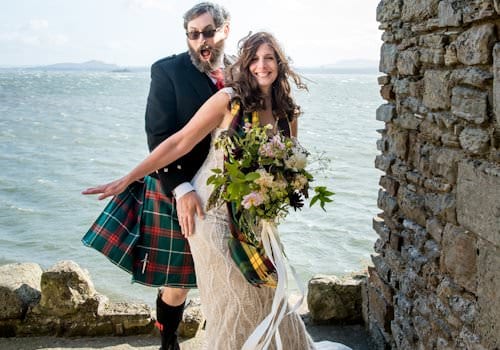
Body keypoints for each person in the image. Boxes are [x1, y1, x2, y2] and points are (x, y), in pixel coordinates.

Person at [84, 32, 350, 350]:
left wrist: (285, 186)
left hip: (254, 218)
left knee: (267, 290)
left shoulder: (286, 112)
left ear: (279, 63)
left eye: (268, 58)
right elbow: (180, 141)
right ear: (245, 62)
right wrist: (128, 178)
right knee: (231, 299)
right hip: (210, 214)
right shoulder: (229, 100)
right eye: (254, 58)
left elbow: (288, 162)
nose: (261, 66)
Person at [82, 3, 231, 350]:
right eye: (193, 35)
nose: (201, 42)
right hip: (178, 186)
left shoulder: (243, 68)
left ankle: (226, 336)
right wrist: (180, 188)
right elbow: (159, 136)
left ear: (224, 30)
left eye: (208, 32)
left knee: (226, 274)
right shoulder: (168, 71)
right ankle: (169, 341)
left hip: (229, 189)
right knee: (178, 282)